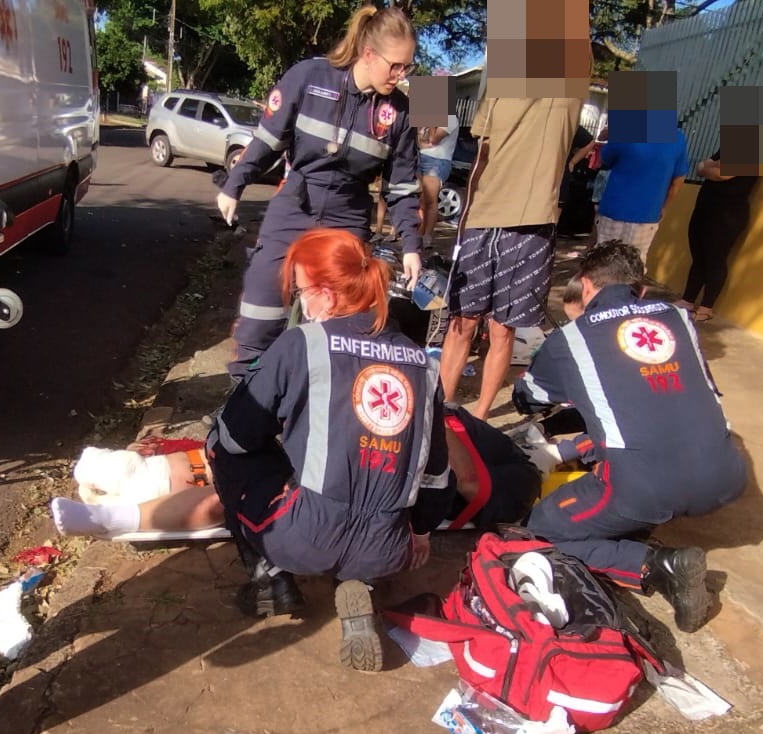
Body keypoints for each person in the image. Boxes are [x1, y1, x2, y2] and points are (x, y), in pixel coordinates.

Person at [207, 228, 453, 671]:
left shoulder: (302, 343)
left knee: (219, 444)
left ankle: (271, 579)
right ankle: (364, 583)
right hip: (389, 547)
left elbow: (237, 434)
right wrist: (420, 532)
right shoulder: (424, 364)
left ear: (324, 293)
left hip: (301, 538)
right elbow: (435, 473)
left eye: (301, 292)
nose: (301, 303)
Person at [512, 241, 747, 633]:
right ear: (639, 289)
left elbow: (528, 398)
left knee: (540, 531)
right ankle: (634, 525)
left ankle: (659, 566)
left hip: (644, 487)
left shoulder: (572, 336)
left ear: (586, 286)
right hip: (725, 476)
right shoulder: (679, 317)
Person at [216, 5, 423, 379]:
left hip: (348, 215)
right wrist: (234, 184)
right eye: (395, 65)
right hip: (296, 204)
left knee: (343, 326)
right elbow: (267, 140)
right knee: (261, 307)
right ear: (368, 53)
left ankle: (317, 407)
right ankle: (246, 404)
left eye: (407, 66)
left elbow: (404, 188)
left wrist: (411, 246)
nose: (401, 74)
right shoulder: (310, 76)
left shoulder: (402, 112)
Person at [51, 405, 539, 539]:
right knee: (207, 461)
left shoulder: (456, 431)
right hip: (371, 466)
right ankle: (130, 477)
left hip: (377, 492)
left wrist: (431, 416)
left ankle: (108, 517)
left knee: (232, 498)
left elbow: (470, 487)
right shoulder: (447, 419)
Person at [436, 96, 582, 422]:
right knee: (462, 324)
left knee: (502, 329)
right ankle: (439, 411)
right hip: (482, 218)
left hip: (533, 222)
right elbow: (481, 155)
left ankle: (480, 418)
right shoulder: (503, 77)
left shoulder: (568, 87)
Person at [679, 151, 759, 323]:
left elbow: (722, 173)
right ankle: (687, 300)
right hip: (705, 208)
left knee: (716, 259)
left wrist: (712, 167)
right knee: (699, 256)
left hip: (729, 214)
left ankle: (706, 307)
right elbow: (700, 168)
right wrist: (712, 167)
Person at [595, 122, 690, 262]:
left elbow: (604, 158)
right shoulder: (677, 138)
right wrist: (663, 207)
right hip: (648, 216)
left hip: (614, 209)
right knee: (634, 265)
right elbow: (677, 181)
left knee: (603, 263)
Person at [416, 112, 461, 250]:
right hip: (421, 158)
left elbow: (433, 139)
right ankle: (419, 233)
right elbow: (420, 140)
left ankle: (427, 236)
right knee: (420, 200)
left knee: (430, 199)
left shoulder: (450, 118)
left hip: (437, 161)